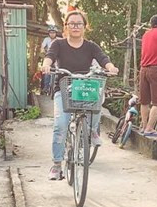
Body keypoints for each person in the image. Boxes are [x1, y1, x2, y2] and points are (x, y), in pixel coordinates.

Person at [41, 10, 119, 180]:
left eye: (79, 24)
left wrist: (110, 67)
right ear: (66, 26)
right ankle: (57, 164)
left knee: (98, 100)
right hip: (63, 88)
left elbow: (103, 58)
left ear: (85, 26)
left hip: (85, 87)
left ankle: (92, 131)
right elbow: (49, 57)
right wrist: (46, 65)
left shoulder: (91, 46)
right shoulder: (58, 44)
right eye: (72, 23)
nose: (75, 27)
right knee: (60, 125)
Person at [40, 25, 59, 94]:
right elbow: (42, 48)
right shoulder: (46, 39)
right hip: (49, 57)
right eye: (51, 32)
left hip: (57, 58)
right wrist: (43, 52)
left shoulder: (58, 40)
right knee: (46, 71)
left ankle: (57, 87)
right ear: (49, 33)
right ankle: (46, 87)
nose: (52, 34)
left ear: (56, 33)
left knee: (59, 71)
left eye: (53, 32)